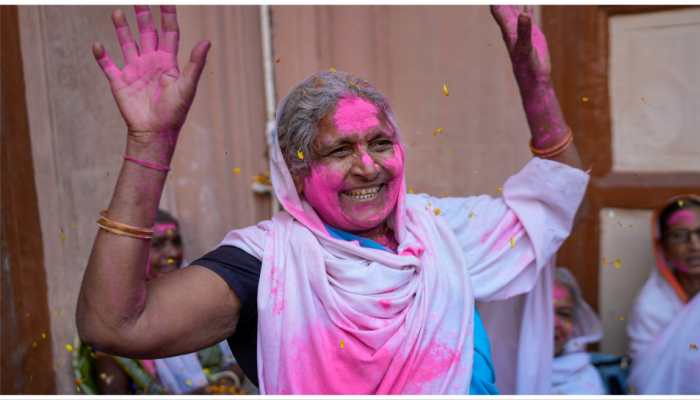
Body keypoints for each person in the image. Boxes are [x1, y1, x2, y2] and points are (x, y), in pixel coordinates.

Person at [76, 5, 589, 394]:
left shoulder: (442, 232)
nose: (368, 166)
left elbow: (553, 207)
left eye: (381, 143)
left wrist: (537, 88)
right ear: (296, 173)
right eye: (339, 150)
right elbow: (114, 325)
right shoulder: (265, 266)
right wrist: (149, 147)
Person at [78, 210, 246, 395]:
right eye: (157, 244)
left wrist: (229, 380)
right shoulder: (111, 326)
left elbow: (237, 358)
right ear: (132, 257)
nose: (172, 252)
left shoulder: (201, 295)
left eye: (176, 241)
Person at [626, 195, 700, 394]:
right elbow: (646, 377)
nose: (694, 245)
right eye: (679, 235)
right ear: (663, 247)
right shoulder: (650, 305)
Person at [550, 267, 606, 395]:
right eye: (543, 313)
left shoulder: (585, 376)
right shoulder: (502, 372)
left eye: (563, 313)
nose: (555, 324)